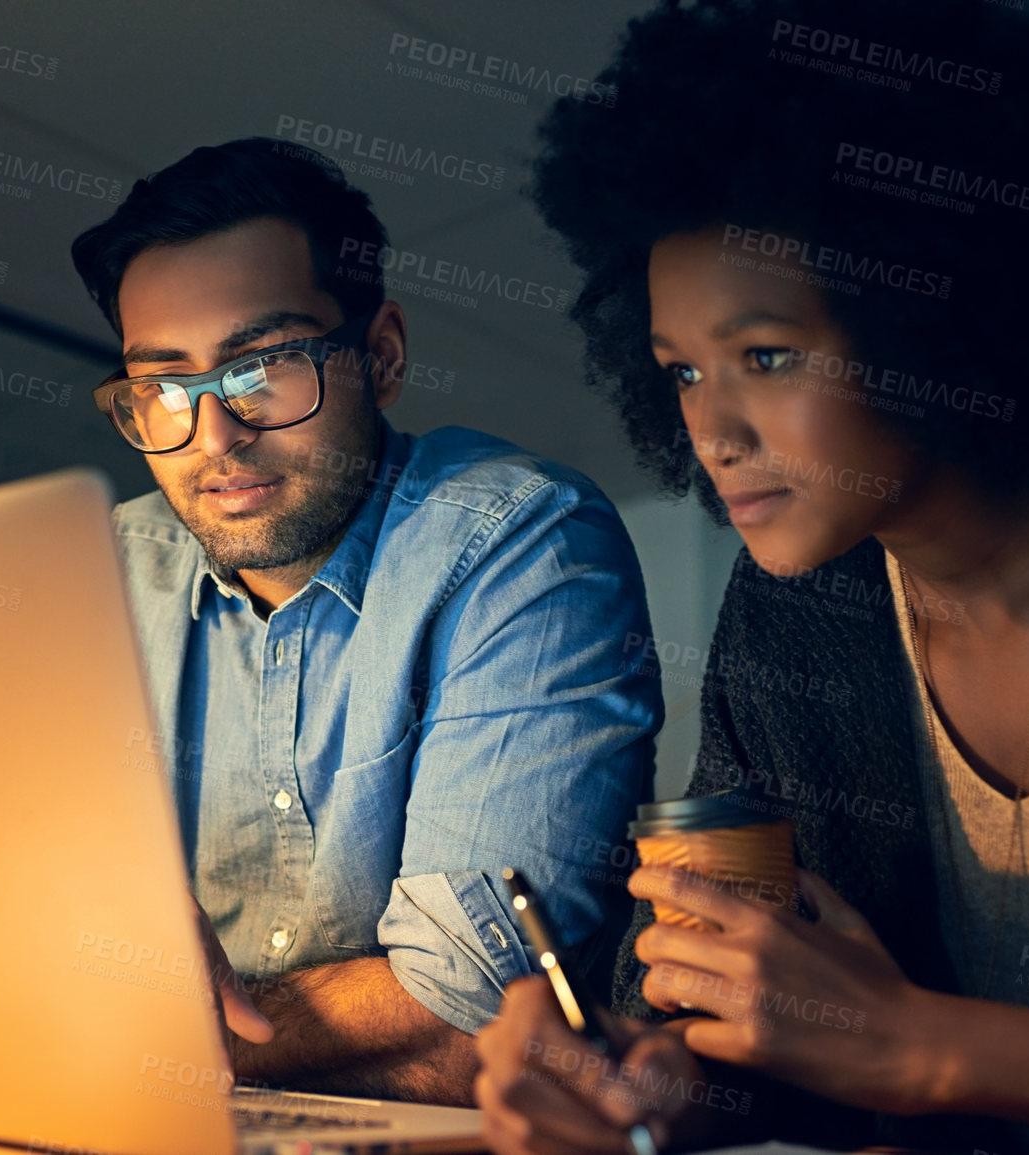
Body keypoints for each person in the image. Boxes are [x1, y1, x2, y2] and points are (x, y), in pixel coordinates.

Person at [476, 0, 1029, 1150]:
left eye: (768, 356)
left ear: (937, 306)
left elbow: (872, 1041)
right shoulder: (794, 615)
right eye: (682, 372)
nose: (714, 430)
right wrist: (649, 1081)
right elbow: (775, 1036)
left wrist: (920, 1047)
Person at [68, 137, 663, 1105]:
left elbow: (474, 997)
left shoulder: (522, 539)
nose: (214, 437)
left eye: (265, 367)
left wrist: (122, 1035)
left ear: (379, 355)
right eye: (165, 387)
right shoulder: (93, 570)